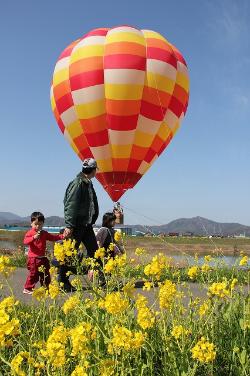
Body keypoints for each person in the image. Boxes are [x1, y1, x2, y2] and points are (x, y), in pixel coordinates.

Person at [60, 158, 99, 291]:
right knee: (70, 253)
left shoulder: (88, 183)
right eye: (96, 170)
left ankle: (99, 278)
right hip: (76, 225)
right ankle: (63, 282)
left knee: (95, 251)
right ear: (93, 170)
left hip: (86, 224)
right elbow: (71, 204)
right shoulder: (78, 184)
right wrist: (69, 225)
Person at [23, 212, 64, 294]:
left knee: (45, 273)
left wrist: (62, 236)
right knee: (33, 274)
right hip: (33, 258)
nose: (38, 226)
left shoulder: (44, 233)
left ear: (43, 224)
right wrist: (33, 237)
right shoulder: (30, 233)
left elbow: (53, 237)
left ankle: (46, 288)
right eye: (35, 224)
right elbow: (25, 241)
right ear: (31, 224)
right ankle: (27, 288)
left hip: (42, 257)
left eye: (40, 224)